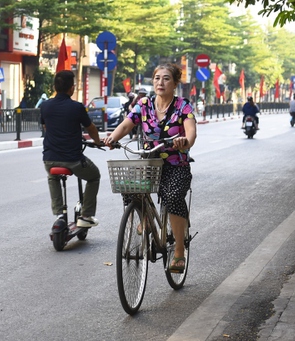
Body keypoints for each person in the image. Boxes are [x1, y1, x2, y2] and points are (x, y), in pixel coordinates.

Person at [103, 63, 196, 274]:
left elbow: (191, 132)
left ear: (174, 83)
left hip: (175, 165)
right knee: (129, 184)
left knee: (173, 197)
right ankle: (144, 218)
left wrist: (185, 141)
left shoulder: (183, 107)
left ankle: (179, 250)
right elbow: (127, 124)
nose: (160, 82)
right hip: (149, 162)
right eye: (156, 78)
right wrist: (112, 138)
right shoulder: (144, 104)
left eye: (165, 79)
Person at [40, 70, 104, 228]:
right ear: (71, 88)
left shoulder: (45, 106)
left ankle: (59, 214)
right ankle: (86, 215)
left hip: (49, 159)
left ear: (55, 86)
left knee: (52, 177)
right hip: (73, 160)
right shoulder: (76, 107)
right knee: (94, 176)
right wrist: (97, 142)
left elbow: (46, 126)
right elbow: (91, 129)